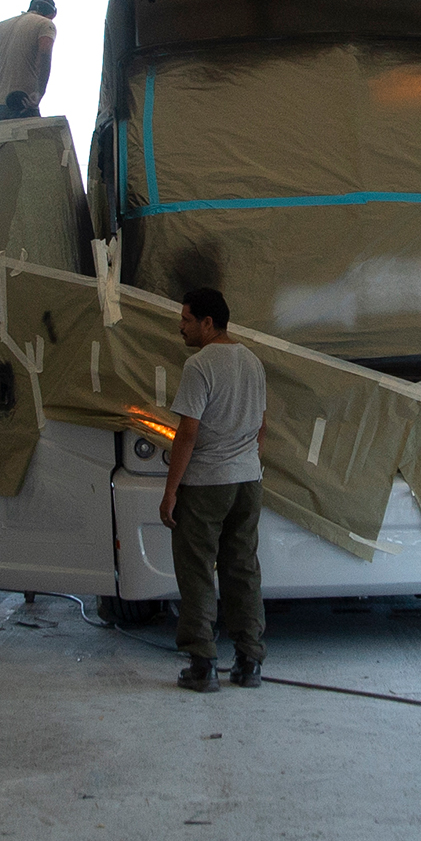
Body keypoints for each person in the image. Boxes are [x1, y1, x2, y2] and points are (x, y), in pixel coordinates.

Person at [159, 288, 267, 693]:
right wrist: (247, 462)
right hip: (248, 482)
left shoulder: (199, 365)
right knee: (243, 569)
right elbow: (262, 425)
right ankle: (249, 662)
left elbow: (188, 432)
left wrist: (170, 492)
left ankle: (203, 665)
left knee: (198, 570)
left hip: (206, 484)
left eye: (186, 319)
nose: (181, 326)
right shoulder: (253, 361)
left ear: (208, 323)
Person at [0, 0, 57, 121]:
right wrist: (40, 91)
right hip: (24, 103)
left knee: (0, 141)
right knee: (34, 140)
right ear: (53, 14)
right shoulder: (45, 24)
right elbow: (44, 52)